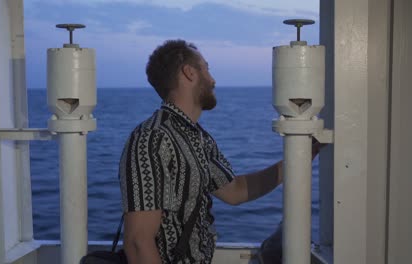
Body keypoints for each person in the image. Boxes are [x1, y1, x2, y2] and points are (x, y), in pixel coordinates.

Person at [118, 39, 322, 264]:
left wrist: (299, 158)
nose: (213, 80)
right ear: (189, 73)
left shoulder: (197, 137)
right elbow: (138, 242)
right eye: (206, 68)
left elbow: (235, 190)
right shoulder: (152, 139)